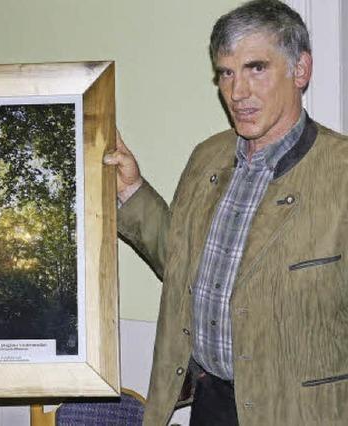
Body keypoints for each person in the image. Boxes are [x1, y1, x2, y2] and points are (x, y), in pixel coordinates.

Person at [104, 0, 348, 425]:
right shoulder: (207, 157)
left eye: (256, 68)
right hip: (211, 403)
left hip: (302, 413)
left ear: (300, 70)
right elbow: (183, 267)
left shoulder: (342, 172)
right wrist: (131, 191)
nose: (237, 92)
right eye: (226, 73)